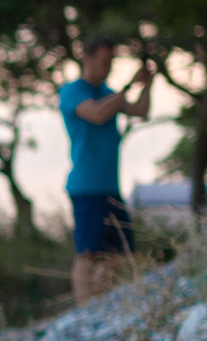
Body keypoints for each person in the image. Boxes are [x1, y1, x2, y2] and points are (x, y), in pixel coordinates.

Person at [58, 39, 153, 304]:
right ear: (86, 59)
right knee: (88, 253)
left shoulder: (108, 93)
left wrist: (147, 84)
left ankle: (98, 302)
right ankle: (84, 309)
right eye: (103, 62)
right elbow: (98, 114)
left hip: (110, 186)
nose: (107, 68)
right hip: (86, 187)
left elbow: (141, 111)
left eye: (111, 63)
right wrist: (129, 86)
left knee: (120, 254)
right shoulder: (72, 92)